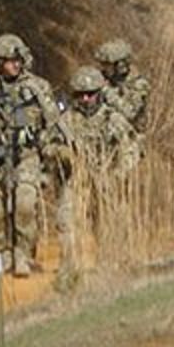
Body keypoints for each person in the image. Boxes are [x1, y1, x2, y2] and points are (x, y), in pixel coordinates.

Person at [0, 33, 60, 278]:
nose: (15, 64)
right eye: (9, 60)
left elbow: (52, 121)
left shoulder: (37, 87)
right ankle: (2, 256)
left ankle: (23, 254)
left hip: (27, 155)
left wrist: (47, 156)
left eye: (17, 59)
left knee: (24, 204)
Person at [54, 66, 139, 291]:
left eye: (90, 94)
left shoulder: (113, 119)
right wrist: (63, 154)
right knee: (65, 220)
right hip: (77, 181)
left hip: (106, 179)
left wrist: (118, 173)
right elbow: (49, 145)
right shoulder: (66, 121)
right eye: (80, 95)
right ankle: (68, 270)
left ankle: (110, 266)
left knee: (109, 223)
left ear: (99, 93)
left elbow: (132, 149)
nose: (85, 99)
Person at [94, 38, 151, 134]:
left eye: (107, 65)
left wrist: (107, 92)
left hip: (130, 137)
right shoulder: (104, 78)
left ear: (120, 65)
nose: (103, 68)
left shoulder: (139, 84)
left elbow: (130, 112)